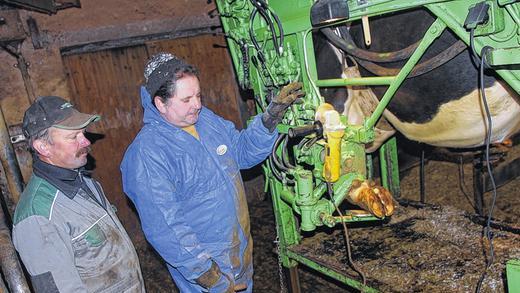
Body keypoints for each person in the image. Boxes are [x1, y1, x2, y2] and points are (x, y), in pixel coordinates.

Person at [120, 52, 303, 292]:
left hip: (238, 252)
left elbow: (241, 153)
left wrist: (269, 119)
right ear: (160, 104)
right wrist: (208, 276)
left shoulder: (204, 120)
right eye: (186, 99)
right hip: (207, 269)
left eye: (198, 95)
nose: (197, 104)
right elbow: (165, 227)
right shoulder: (148, 152)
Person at [12, 96, 145, 292]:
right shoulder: (38, 216)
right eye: (73, 137)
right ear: (43, 147)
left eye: (83, 133)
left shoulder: (86, 183)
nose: (85, 141)